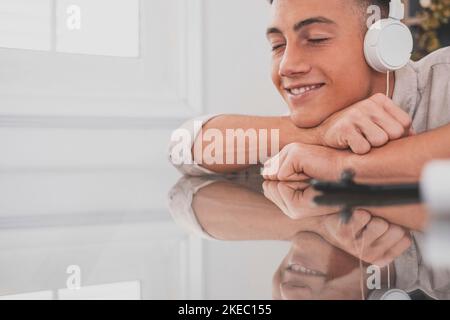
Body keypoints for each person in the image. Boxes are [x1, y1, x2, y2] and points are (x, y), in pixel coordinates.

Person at [169, 0, 450, 183]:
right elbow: (184, 145)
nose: (287, 66)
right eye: (278, 45)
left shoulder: (443, 78)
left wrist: (342, 165)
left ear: (385, 43)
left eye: (316, 39)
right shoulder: (323, 118)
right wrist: (316, 136)